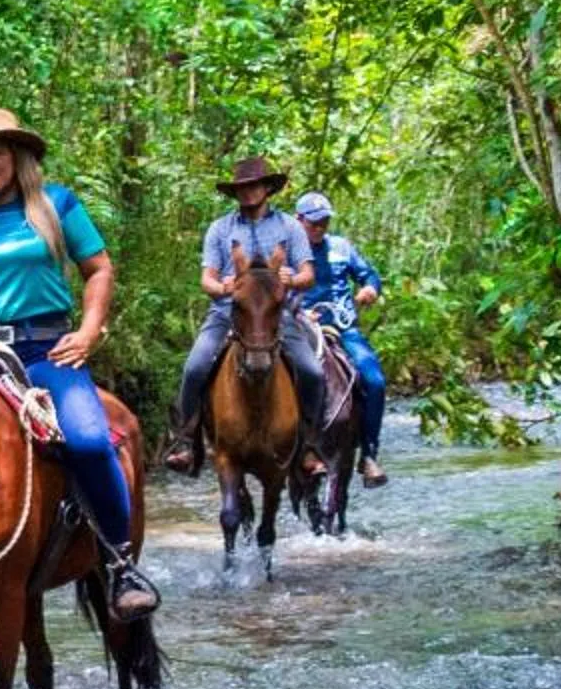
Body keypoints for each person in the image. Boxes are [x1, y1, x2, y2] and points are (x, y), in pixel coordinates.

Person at [0, 108, 160, 621]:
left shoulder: (55, 204)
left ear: (16, 155)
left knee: (91, 441)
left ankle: (119, 561)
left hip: (46, 350)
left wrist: (90, 330)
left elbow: (97, 268)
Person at [159, 154, 331, 478]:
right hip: (228, 312)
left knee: (312, 372)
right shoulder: (220, 228)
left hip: (277, 315)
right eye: (242, 187)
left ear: (267, 188)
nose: (248, 192)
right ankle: (187, 442)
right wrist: (221, 287)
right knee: (195, 366)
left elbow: (309, 273)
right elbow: (206, 279)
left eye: (254, 186)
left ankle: (309, 445)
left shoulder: (290, 227)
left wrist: (291, 279)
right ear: (235, 192)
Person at [293, 190, 389, 487]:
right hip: (299, 327)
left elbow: (369, 275)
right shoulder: (287, 251)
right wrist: (297, 312)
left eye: (324, 222)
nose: (320, 228)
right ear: (299, 221)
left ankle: (369, 454)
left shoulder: (342, 247)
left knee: (374, 380)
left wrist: (370, 289)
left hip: (342, 326)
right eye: (313, 223)